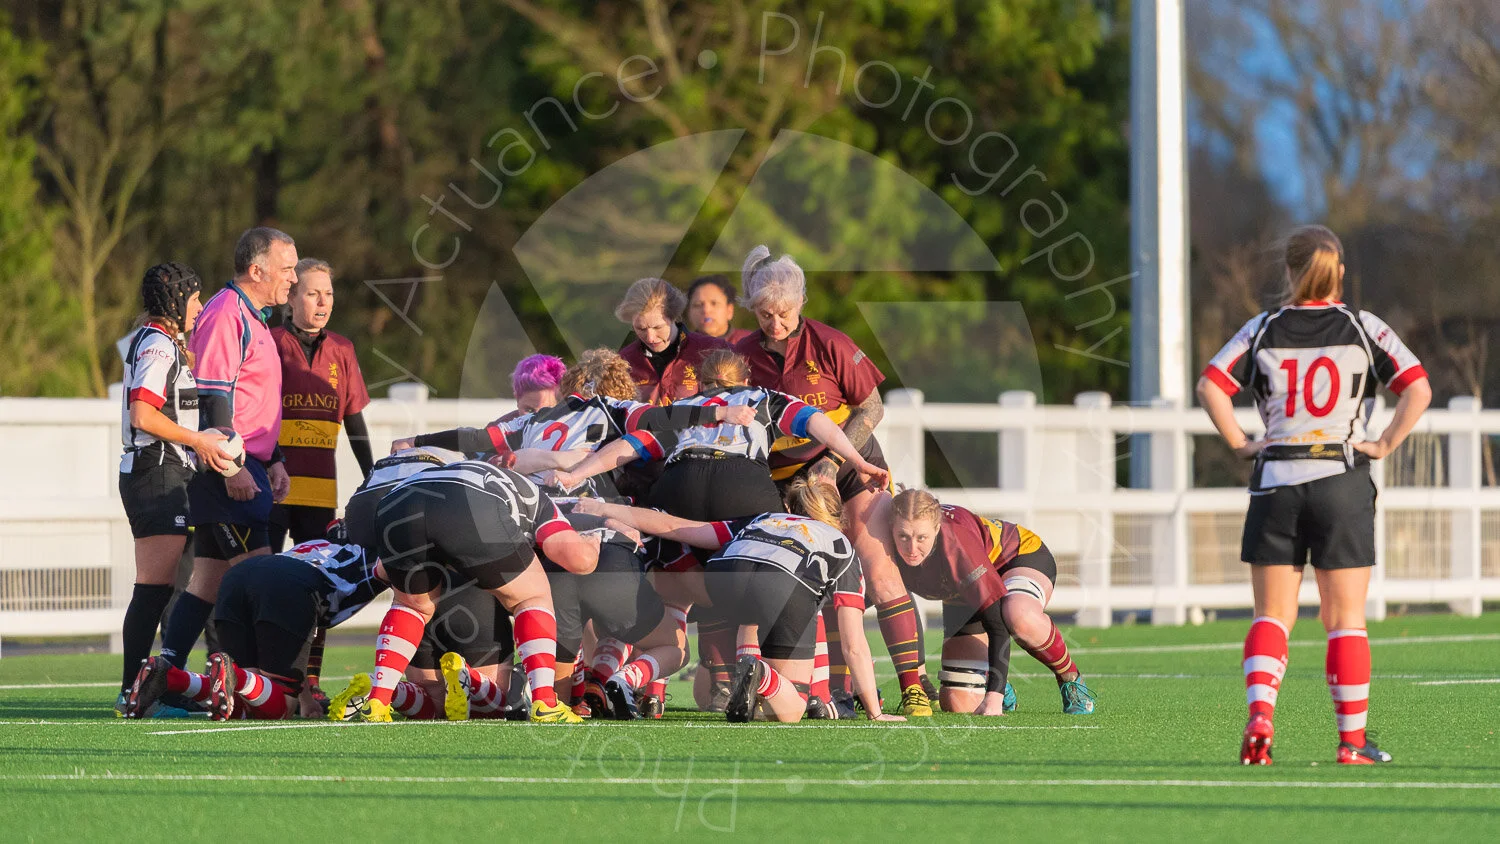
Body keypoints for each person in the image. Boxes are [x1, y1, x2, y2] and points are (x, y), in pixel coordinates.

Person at [1197, 224, 1431, 766]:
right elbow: (1417, 385)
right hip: (1341, 480)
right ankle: (1352, 743)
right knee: (1345, 619)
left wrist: (1239, 442)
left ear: (1288, 271)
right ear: (1339, 273)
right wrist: (1384, 443)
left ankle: (1262, 716)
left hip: (1277, 480)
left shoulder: (1263, 327)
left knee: (1271, 616)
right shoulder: (1363, 326)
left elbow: (1212, 382)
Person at [733, 245, 929, 718]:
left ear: (800, 303)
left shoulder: (831, 343)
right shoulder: (740, 352)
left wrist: (829, 462)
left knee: (877, 571)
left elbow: (873, 407)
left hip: (852, 465)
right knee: (816, 582)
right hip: (784, 480)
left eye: (782, 314)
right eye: (763, 315)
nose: (774, 325)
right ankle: (838, 691)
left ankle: (913, 685)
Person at [575, 481, 905, 724]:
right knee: (790, 709)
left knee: (754, 613)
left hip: (721, 579)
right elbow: (854, 645)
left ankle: (744, 674)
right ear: (839, 519)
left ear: (790, 508)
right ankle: (764, 675)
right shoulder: (839, 545)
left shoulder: (760, 519)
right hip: (781, 586)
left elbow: (678, 528)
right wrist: (875, 713)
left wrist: (606, 509)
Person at [355, 459, 601, 723]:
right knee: (532, 597)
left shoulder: (468, 472)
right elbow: (576, 559)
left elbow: (380, 571)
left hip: (395, 504)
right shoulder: (540, 500)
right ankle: (545, 702)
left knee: (411, 606)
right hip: (469, 502)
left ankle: (378, 700)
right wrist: (594, 542)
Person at [156, 228, 297, 673]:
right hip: (225, 468)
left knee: (208, 583)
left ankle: (166, 672)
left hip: (247, 462)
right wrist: (234, 468)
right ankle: (266, 681)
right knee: (263, 577)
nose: (293, 278)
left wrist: (271, 458)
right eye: (287, 268)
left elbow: (252, 401)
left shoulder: (255, 317)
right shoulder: (225, 314)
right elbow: (213, 398)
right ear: (257, 270)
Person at [114, 262, 235, 714]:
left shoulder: (167, 344)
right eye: (194, 298)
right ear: (174, 302)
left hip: (170, 471)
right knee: (154, 588)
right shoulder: (159, 347)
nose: (200, 307)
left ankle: (160, 685)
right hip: (155, 470)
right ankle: (135, 692)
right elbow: (143, 415)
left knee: (179, 583)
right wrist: (199, 440)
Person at [124, 538, 387, 721]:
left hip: (239, 577)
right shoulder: (381, 559)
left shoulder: (326, 545)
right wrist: (303, 699)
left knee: (241, 704)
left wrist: (308, 698)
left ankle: (170, 677)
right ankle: (235, 675)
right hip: (284, 585)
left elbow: (309, 629)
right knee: (283, 706)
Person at [885, 488, 1095, 715]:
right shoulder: (881, 547)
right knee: (957, 703)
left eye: (921, 538)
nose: (912, 549)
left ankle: (1069, 676)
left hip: (1014, 558)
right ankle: (999, 683)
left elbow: (996, 625)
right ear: (891, 529)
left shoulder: (957, 546)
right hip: (962, 590)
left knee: (1018, 615)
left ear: (937, 528)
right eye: (903, 536)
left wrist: (993, 698)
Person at [270, 258, 373, 551]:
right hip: (272, 487)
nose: (322, 302)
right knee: (264, 572)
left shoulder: (343, 349)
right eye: (313, 294)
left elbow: (354, 419)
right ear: (291, 297)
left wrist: (372, 476)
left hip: (320, 491)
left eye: (328, 294)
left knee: (315, 577)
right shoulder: (269, 342)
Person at [616, 277, 728, 405]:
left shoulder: (714, 350)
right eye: (640, 328)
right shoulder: (622, 363)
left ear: (673, 316)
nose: (650, 338)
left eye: (658, 327)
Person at [687, 275, 753, 344]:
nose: (706, 310)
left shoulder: (750, 342)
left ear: (729, 310)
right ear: (689, 311)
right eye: (698, 305)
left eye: (714, 303)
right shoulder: (681, 348)